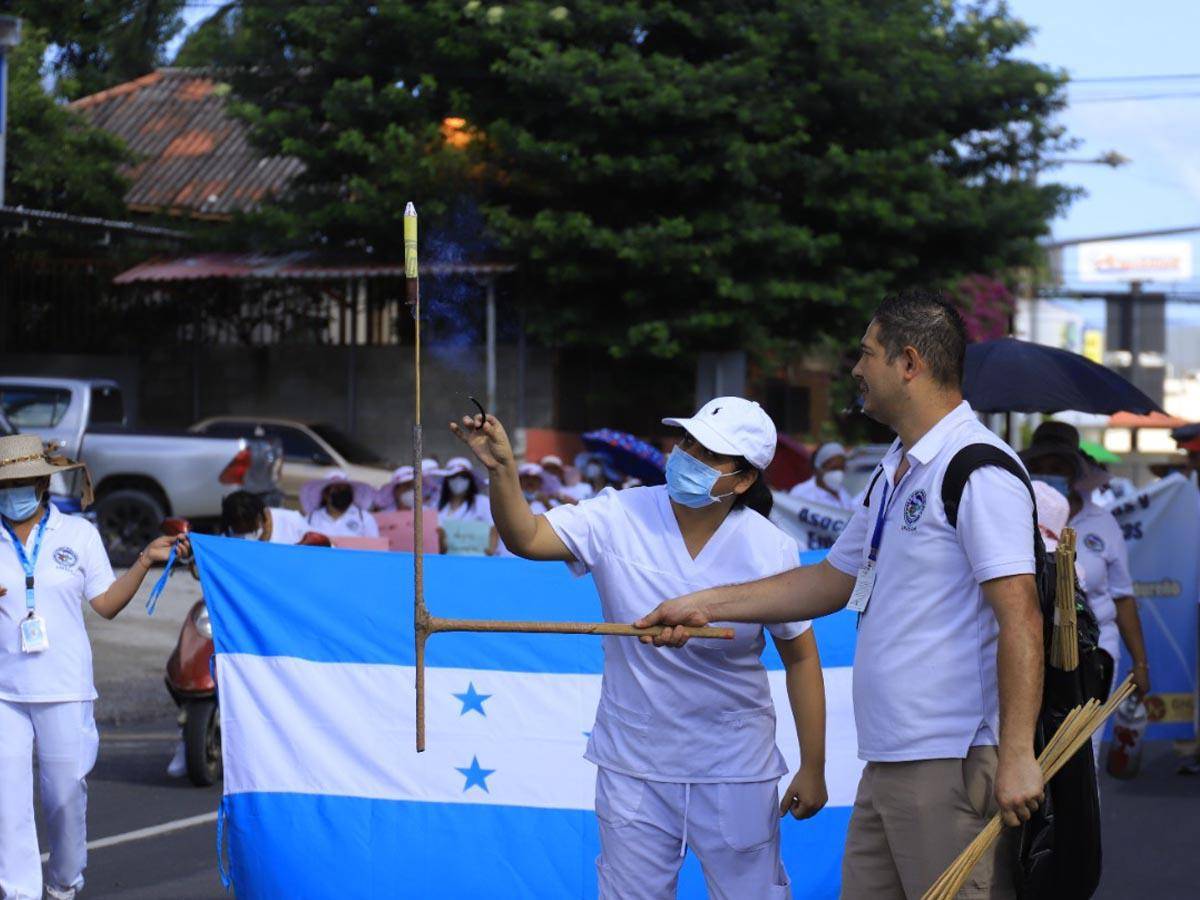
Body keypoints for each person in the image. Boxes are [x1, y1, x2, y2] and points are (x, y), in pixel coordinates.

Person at [638, 288, 1045, 900]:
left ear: (909, 363)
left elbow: (1021, 618)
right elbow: (831, 580)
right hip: (888, 759)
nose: (856, 369)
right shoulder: (896, 467)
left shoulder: (976, 469)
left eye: (867, 353)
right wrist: (705, 604)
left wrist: (1016, 754)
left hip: (951, 761)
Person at [451, 396, 827, 899]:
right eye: (688, 442)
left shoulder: (770, 547)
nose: (689, 456)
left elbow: (801, 658)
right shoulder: (618, 514)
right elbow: (527, 537)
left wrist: (814, 766)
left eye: (710, 453)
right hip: (633, 766)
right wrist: (502, 471)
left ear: (743, 480)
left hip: (735, 770)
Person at [0, 434, 181, 900]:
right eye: (4, 485)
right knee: (6, 802)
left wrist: (144, 560)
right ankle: (18, 892)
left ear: (42, 484)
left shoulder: (78, 534)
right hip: (4, 692)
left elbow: (105, 604)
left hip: (65, 687)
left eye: (20, 483)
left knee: (64, 797)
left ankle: (63, 884)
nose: (12, 493)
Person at [1021, 422, 1150, 718]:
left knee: (1084, 738)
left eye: (1057, 467)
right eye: (1038, 467)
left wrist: (1140, 663)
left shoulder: (1103, 523)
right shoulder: (1016, 517)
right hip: (1032, 647)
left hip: (1094, 648)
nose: (1047, 473)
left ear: (1075, 472)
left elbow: (1122, 597)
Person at [786, 441, 856, 550]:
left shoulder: (844, 493)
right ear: (818, 468)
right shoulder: (801, 493)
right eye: (833, 468)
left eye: (842, 468)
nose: (839, 473)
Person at [435, 457, 498, 555]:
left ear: (470, 480)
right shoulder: (436, 505)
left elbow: (493, 530)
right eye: (453, 476)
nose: (458, 480)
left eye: (463, 476)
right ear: (447, 480)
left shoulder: (482, 502)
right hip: (445, 560)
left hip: (478, 559)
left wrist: (490, 551)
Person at [301, 472, 379, 539]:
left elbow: (374, 547)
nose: (342, 493)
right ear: (326, 495)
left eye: (345, 490)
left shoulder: (364, 518)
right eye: (337, 489)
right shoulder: (311, 519)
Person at [219, 490, 310, 544]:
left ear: (258, 517)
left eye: (248, 527)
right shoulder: (227, 537)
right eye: (237, 528)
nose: (242, 533)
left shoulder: (292, 520)